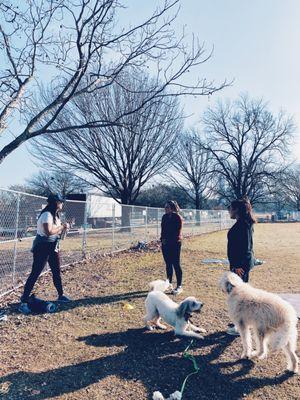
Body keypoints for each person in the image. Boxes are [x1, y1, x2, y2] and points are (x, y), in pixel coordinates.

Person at [20, 194, 70, 313]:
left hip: (53, 246)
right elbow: (48, 232)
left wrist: (65, 229)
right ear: (56, 203)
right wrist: (62, 227)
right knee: (35, 273)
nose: (62, 204)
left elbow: (57, 233)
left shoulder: (55, 215)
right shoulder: (47, 214)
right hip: (43, 247)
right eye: (61, 202)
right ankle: (24, 301)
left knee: (56, 271)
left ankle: (61, 295)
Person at [226, 197, 256, 335]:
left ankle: (240, 327)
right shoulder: (243, 223)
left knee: (239, 297)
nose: (229, 211)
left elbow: (246, 248)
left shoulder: (243, 225)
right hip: (240, 265)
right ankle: (239, 323)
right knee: (239, 295)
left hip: (240, 266)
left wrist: (238, 266)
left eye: (230, 208)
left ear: (236, 210)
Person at [160, 200, 183, 295]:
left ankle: (179, 285)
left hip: (175, 243)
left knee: (176, 264)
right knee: (168, 264)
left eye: (167, 207)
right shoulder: (164, 217)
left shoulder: (177, 217)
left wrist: (169, 241)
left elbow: (177, 232)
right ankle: (168, 284)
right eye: (165, 207)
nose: (165, 209)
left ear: (172, 208)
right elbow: (163, 230)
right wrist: (162, 240)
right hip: (165, 244)